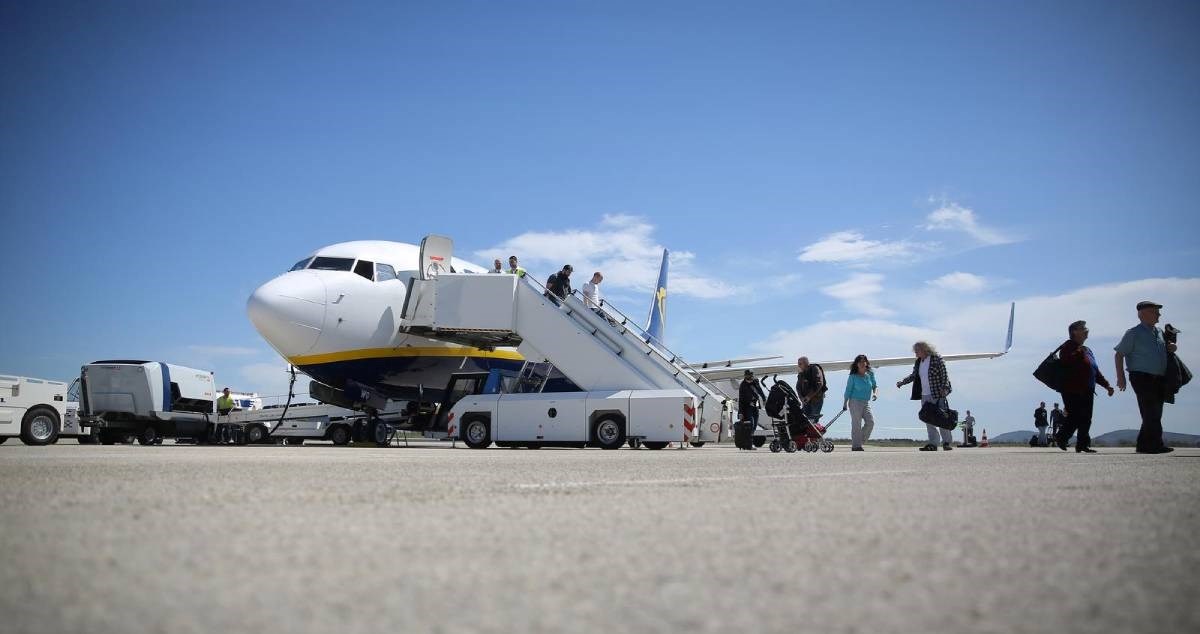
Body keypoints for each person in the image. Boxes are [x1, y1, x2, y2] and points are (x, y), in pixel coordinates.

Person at [1114, 301, 1176, 454]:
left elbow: (1166, 350)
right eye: (1155, 312)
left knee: (1155, 412)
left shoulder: (1160, 332)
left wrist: (1172, 347)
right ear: (1143, 314)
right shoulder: (1133, 333)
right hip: (1141, 377)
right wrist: (1120, 377)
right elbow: (1119, 354)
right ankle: (1153, 444)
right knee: (1150, 411)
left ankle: (1145, 444)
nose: (1159, 315)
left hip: (1159, 378)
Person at [1055, 320, 1114, 453]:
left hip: (1087, 388)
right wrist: (1079, 352)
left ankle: (1082, 444)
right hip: (1072, 388)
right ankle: (1061, 437)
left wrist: (1106, 385)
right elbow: (1066, 361)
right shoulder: (1068, 346)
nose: (1087, 330)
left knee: (1086, 418)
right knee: (1075, 415)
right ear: (1074, 332)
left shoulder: (1087, 350)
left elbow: (1094, 370)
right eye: (1083, 328)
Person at [897, 341, 954, 451]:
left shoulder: (936, 359)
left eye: (917, 351)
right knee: (928, 419)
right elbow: (914, 375)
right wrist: (902, 382)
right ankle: (933, 443)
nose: (916, 354)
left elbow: (944, 375)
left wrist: (945, 388)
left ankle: (946, 442)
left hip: (937, 393)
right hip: (924, 395)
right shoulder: (919, 362)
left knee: (942, 418)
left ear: (924, 349)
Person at [842, 354, 877, 451]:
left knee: (870, 422)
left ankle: (859, 441)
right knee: (856, 423)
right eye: (860, 362)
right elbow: (848, 390)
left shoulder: (870, 374)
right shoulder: (853, 376)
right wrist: (845, 403)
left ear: (866, 363)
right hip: (854, 402)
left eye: (863, 361)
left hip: (866, 402)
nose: (862, 363)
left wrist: (875, 394)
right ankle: (856, 446)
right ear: (856, 364)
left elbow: (875, 386)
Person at [738, 370, 767, 450]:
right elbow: (741, 399)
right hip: (747, 407)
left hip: (756, 405)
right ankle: (749, 444)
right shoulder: (743, 385)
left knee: (755, 425)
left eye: (752, 376)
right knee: (751, 424)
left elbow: (760, 390)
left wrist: (764, 399)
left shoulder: (755, 381)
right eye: (749, 376)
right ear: (745, 376)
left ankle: (748, 443)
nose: (751, 378)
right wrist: (740, 412)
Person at [795, 357, 827, 421]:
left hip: (816, 400)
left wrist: (809, 397)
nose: (799, 366)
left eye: (800, 364)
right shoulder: (801, 373)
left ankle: (814, 429)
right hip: (806, 401)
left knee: (813, 420)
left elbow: (819, 384)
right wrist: (801, 398)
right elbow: (798, 387)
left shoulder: (815, 369)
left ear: (806, 363)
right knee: (805, 420)